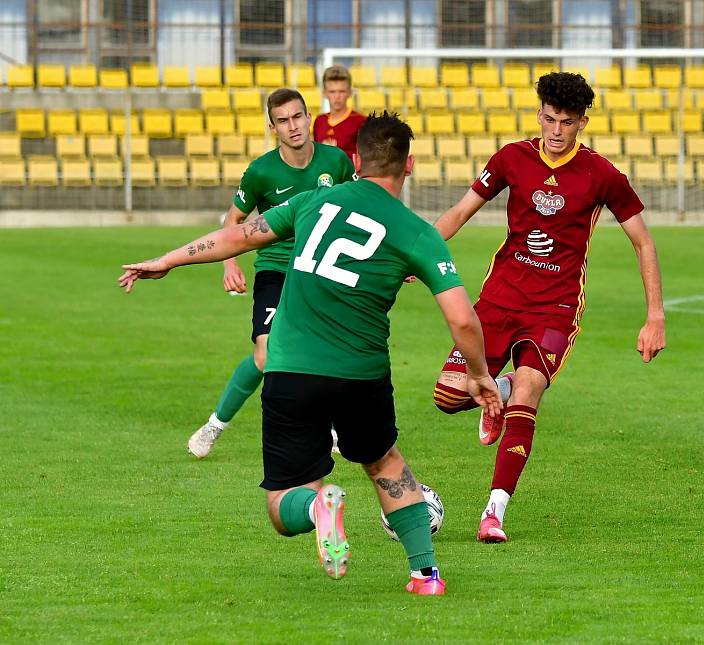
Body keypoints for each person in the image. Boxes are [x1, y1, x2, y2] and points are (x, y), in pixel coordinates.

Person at [119, 112, 502, 595]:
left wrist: (169, 260)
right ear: (409, 167)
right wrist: (479, 374)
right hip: (361, 373)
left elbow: (237, 234)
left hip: (291, 368)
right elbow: (463, 318)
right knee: (385, 463)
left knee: (283, 503)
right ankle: (425, 575)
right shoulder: (416, 231)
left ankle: (318, 508)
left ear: (356, 160)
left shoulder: (313, 201)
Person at [430, 72, 666, 543]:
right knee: (448, 398)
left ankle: (493, 511)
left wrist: (654, 315)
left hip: (555, 307)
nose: (556, 131)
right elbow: (459, 212)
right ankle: (497, 385)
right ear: (539, 113)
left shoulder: (602, 175)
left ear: (582, 122)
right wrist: (418, 254)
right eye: (549, 119)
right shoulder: (511, 158)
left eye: (567, 122)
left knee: (530, 392)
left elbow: (642, 242)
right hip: (499, 298)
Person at [187, 88, 355, 459]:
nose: (292, 126)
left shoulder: (338, 162)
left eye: (297, 117)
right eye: (283, 121)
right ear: (273, 127)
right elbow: (233, 220)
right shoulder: (262, 171)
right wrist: (229, 263)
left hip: (320, 269)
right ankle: (215, 425)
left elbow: (359, 212)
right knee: (265, 355)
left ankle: (329, 426)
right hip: (276, 269)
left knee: (325, 350)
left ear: (310, 117)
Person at [313, 65, 367, 160]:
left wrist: (335, 152)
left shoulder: (361, 121)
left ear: (349, 92)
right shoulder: (319, 121)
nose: (337, 96)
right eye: (332, 92)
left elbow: (367, 158)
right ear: (324, 93)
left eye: (341, 91)